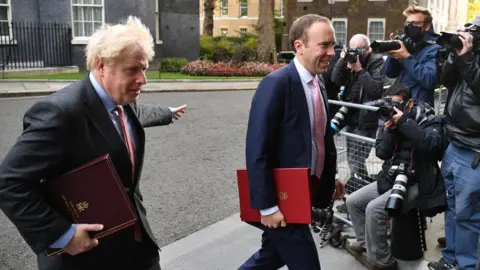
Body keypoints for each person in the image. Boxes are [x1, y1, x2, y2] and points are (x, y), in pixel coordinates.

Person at [0, 16, 186, 270]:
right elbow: (9, 182)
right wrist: (61, 235)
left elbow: (136, 116)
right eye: (132, 70)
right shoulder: (60, 113)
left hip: (138, 249)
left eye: (144, 68)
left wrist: (166, 112)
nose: (143, 79)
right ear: (101, 66)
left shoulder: (122, 101)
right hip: (85, 258)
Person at [240, 14, 344, 270]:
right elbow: (257, 149)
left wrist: (332, 177)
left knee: (271, 257)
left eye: (333, 45)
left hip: (304, 193)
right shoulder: (276, 84)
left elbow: (320, 138)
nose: (332, 52)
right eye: (324, 45)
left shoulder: (317, 82)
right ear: (299, 45)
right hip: (282, 200)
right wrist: (267, 207)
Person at [346, 83, 446, 270]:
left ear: (408, 104)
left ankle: (383, 262)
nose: (393, 109)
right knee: (353, 201)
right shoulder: (387, 118)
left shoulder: (427, 117)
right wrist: (391, 130)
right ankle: (367, 244)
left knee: (374, 209)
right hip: (391, 178)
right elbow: (382, 153)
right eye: (390, 104)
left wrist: (404, 123)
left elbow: (432, 146)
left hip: (417, 182)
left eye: (397, 104)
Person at [427, 16, 480, 270]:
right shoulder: (466, 55)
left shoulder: (471, 59)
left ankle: (466, 266)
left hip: (474, 150)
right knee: (453, 207)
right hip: (454, 142)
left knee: (468, 215)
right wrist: (454, 53)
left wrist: (467, 58)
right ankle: (450, 260)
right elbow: (445, 80)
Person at [331, 34, 385, 196]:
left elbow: (375, 90)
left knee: (355, 163)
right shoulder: (348, 59)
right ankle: (361, 196)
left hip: (366, 120)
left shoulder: (377, 61)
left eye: (359, 50)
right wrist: (343, 60)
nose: (356, 54)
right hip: (351, 117)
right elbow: (335, 79)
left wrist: (359, 70)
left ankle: (356, 198)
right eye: (352, 49)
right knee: (355, 162)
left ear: (368, 49)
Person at [384, 5, 440, 105]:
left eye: (415, 23)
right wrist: (393, 55)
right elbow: (390, 73)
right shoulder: (406, 44)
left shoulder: (434, 48)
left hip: (418, 107)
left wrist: (406, 57)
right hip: (399, 103)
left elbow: (429, 80)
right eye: (408, 23)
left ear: (427, 26)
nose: (410, 27)